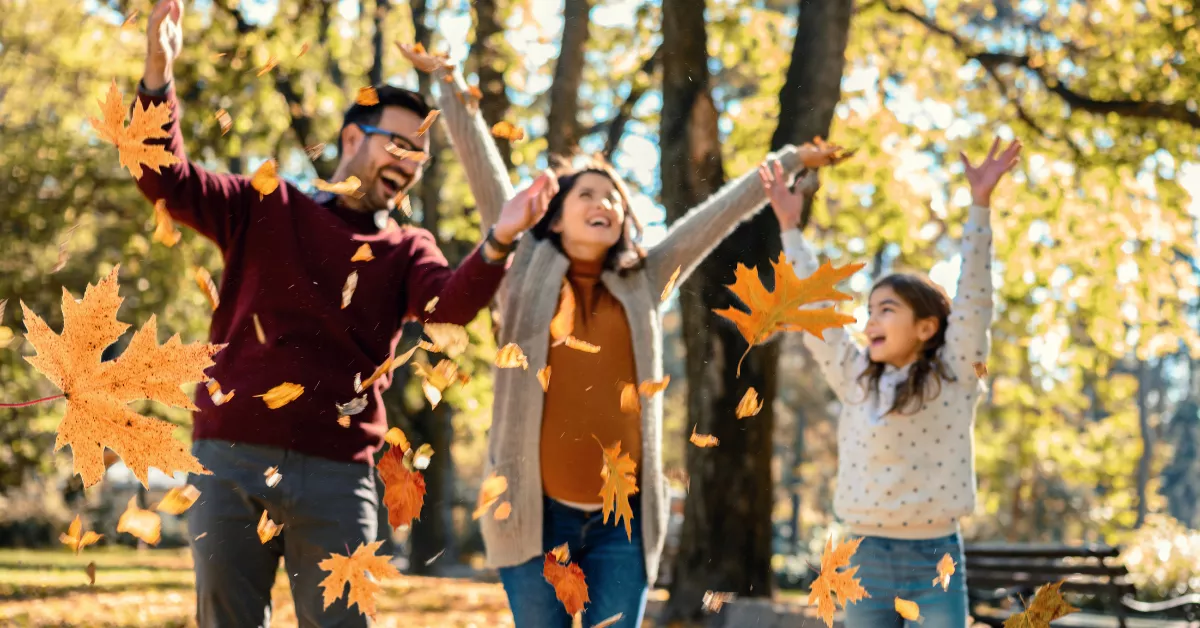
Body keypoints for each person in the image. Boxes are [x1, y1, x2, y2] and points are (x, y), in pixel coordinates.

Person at [134, 2, 557, 626]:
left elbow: (449, 306)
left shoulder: (407, 248)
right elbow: (166, 180)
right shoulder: (267, 204)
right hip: (231, 457)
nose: (409, 163)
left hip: (338, 476)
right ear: (353, 138)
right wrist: (157, 76)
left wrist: (500, 238)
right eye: (399, 145)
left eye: (420, 156)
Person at [397, 45, 851, 626]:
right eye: (586, 194)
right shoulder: (524, 263)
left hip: (623, 525)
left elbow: (715, 217)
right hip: (534, 521)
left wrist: (789, 160)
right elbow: (484, 171)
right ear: (554, 213)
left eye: (613, 196)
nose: (604, 203)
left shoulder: (646, 278)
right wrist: (450, 80)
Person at [761, 137, 1022, 628]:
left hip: (935, 559)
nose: (870, 322)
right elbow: (818, 311)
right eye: (869, 311)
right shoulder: (856, 378)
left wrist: (980, 206)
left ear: (925, 327)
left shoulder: (953, 375)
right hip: (863, 557)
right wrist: (790, 229)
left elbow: (974, 300)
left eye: (886, 310)